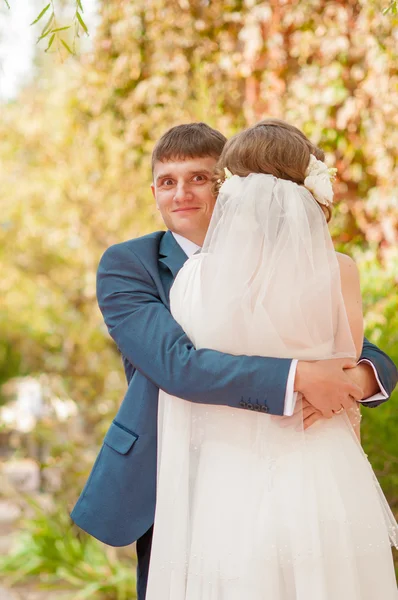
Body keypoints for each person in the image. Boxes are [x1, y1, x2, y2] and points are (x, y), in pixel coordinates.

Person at [71, 123, 398, 600]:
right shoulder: (130, 263)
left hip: (289, 464)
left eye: (199, 178)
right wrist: (303, 375)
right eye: (167, 182)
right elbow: (177, 365)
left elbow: (359, 350)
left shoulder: (308, 261)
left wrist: (359, 379)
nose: (181, 194)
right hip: (175, 473)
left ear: (230, 184)